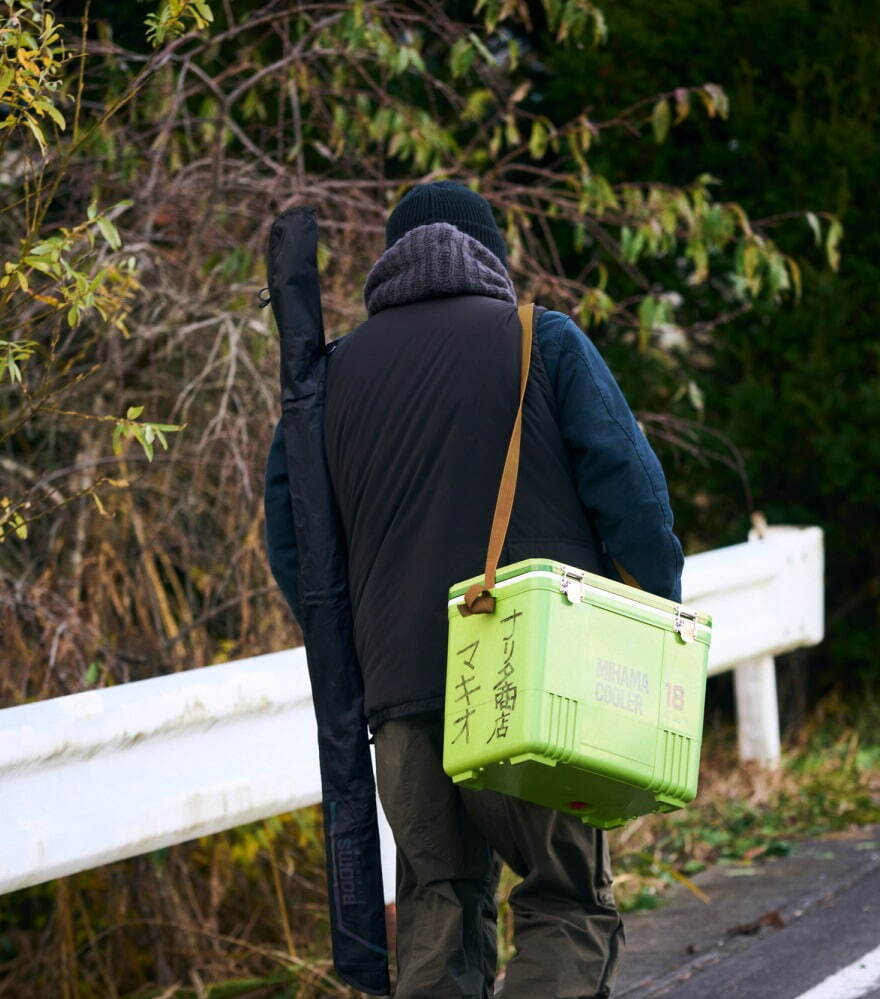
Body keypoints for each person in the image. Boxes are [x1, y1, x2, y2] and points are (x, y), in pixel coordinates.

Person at [263, 180, 684, 999]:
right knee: (565, 900)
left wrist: (369, 649)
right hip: (528, 691)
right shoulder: (540, 340)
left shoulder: (325, 382)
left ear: (389, 264)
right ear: (489, 256)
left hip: (401, 705)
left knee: (435, 907)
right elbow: (635, 500)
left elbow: (297, 548)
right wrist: (651, 614)